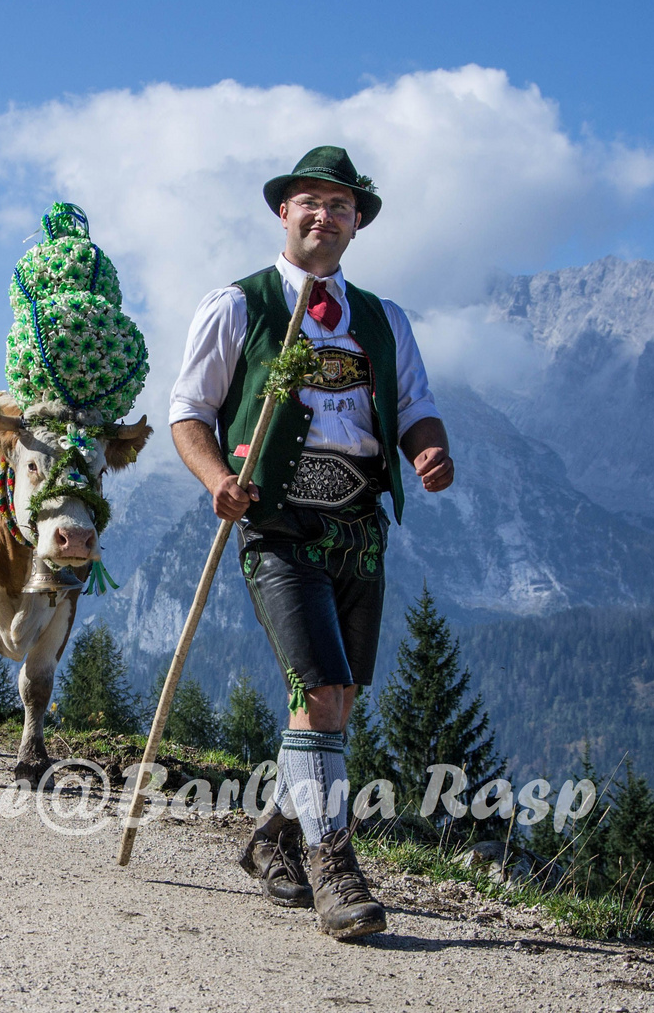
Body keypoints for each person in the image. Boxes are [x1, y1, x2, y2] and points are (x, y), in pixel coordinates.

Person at [169, 146, 454, 941]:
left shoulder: (384, 320)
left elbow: (414, 407)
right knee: (323, 692)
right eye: (308, 203)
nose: (323, 216)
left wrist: (427, 450)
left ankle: (271, 839)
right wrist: (215, 476)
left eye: (339, 205)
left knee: (335, 704)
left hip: (361, 530)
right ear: (283, 214)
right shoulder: (238, 305)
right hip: (278, 525)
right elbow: (189, 413)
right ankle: (336, 867)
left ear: (357, 223)